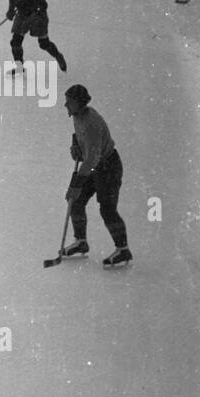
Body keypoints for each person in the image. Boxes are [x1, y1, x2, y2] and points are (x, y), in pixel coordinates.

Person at [61, 84, 130, 267]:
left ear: (79, 103)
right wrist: (75, 144)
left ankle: (123, 250)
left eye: (69, 102)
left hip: (108, 166)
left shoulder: (92, 122)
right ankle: (81, 241)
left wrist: (77, 183)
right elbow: (78, 135)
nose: (65, 105)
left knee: (107, 209)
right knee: (75, 201)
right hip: (94, 165)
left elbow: (92, 158)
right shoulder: (77, 115)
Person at [7, 0, 67, 72]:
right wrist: (10, 11)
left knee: (43, 44)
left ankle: (58, 56)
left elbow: (43, 4)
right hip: (22, 15)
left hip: (37, 16)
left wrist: (34, 10)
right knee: (15, 41)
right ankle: (20, 67)